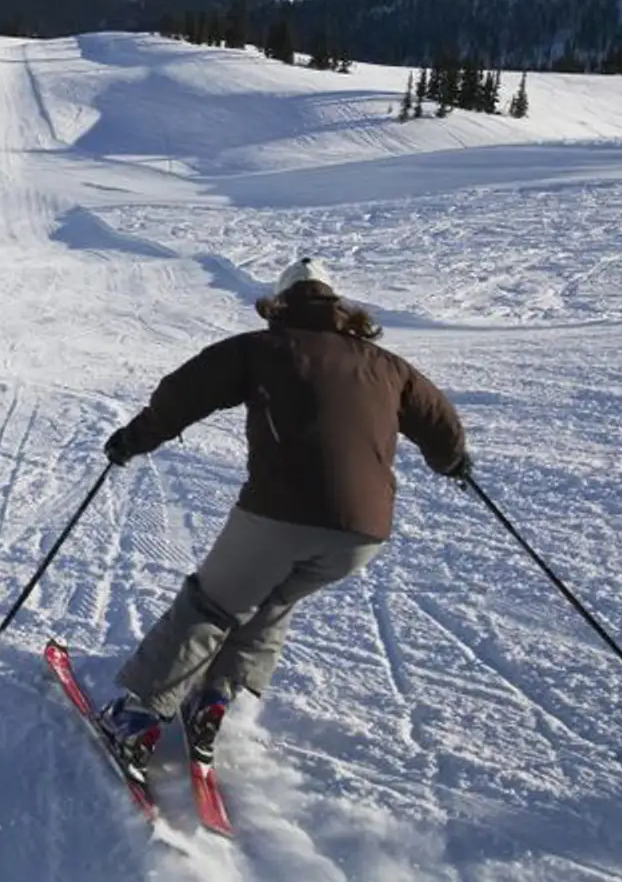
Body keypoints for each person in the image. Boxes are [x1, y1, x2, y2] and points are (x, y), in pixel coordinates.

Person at [94, 256, 469, 769]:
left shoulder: (262, 348)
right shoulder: (387, 366)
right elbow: (441, 422)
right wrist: (452, 463)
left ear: (280, 304)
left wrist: (132, 440)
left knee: (212, 604)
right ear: (338, 306)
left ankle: (136, 719)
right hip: (362, 536)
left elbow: (183, 393)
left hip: (281, 513)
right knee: (271, 599)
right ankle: (212, 698)